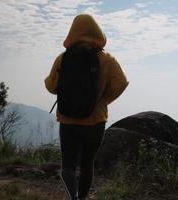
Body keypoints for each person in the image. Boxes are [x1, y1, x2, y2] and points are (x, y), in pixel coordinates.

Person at [44, 14, 128, 200]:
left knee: (68, 165)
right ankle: (82, 197)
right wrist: (104, 100)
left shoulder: (63, 59)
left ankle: (71, 197)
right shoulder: (107, 59)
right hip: (96, 120)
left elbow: (51, 86)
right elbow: (122, 83)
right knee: (87, 163)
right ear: (97, 32)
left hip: (68, 120)